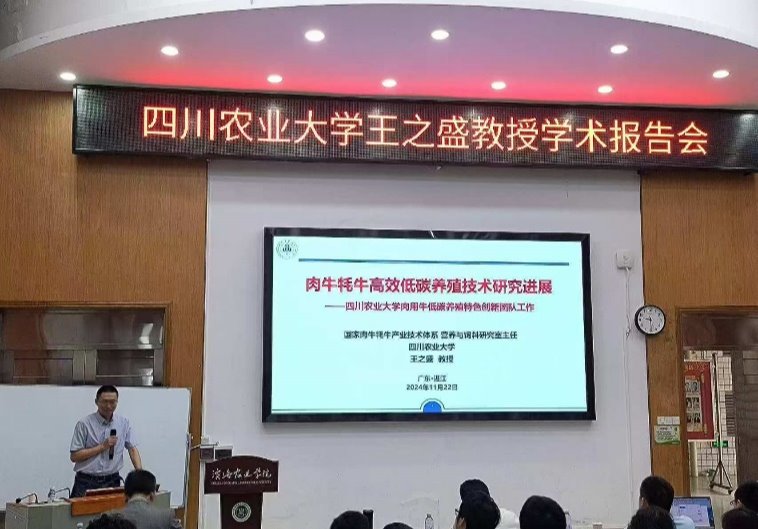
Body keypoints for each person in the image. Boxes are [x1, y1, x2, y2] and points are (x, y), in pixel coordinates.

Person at [70, 385, 142, 497]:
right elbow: (75, 456)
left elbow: (132, 449)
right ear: (96, 402)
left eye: (112, 402)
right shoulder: (84, 424)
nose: (108, 406)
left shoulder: (123, 423)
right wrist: (102, 447)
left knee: (114, 509)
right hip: (86, 481)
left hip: (112, 480)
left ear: (117, 402)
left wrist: (141, 475)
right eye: (104, 402)